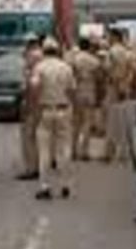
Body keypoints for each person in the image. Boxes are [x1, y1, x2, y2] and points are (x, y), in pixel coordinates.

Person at [30, 37, 76, 200]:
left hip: (45, 111)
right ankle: (66, 186)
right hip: (64, 109)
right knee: (63, 149)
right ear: (57, 51)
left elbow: (35, 88)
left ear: (44, 51)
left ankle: (45, 187)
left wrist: (35, 110)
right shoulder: (66, 67)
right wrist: (71, 107)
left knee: (44, 151)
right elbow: (71, 91)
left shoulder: (39, 67)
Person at [68, 37, 104, 161]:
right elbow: (99, 78)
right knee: (87, 123)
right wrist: (99, 95)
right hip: (90, 91)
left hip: (77, 91)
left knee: (75, 123)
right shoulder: (94, 60)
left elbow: (71, 76)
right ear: (89, 47)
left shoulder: (74, 59)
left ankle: (73, 150)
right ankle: (84, 152)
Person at [104, 28, 135, 162]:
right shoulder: (128, 53)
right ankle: (124, 152)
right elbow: (133, 71)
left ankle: (110, 152)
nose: (108, 39)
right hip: (125, 88)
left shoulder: (111, 52)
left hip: (113, 89)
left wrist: (114, 82)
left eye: (109, 36)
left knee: (111, 121)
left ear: (114, 37)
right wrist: (125, 83)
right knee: (124, 120)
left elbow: (107, 69)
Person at [17, 36, 45, 181]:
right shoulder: (44, 62)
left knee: (28, 137)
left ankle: (31, 169)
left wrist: (27, 106)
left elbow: (30, 88)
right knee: (38, 137)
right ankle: (39, 166)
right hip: (43, 104)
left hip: (33, 105)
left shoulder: (33, 68)